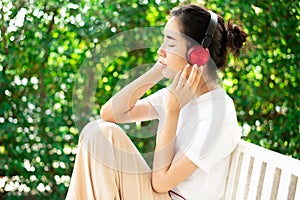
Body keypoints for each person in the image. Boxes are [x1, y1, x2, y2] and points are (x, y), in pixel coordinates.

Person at [66, 4, 248, 200]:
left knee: (100, 134)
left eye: (170, 44)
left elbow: (161, 183)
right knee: (99, 132)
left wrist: (171, 111)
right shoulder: (179, 94)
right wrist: (157, 70)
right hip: (157, 195)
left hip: (167, 196)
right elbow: (109, 114)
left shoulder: (218, 114)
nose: (160, 50)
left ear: (197, 56)